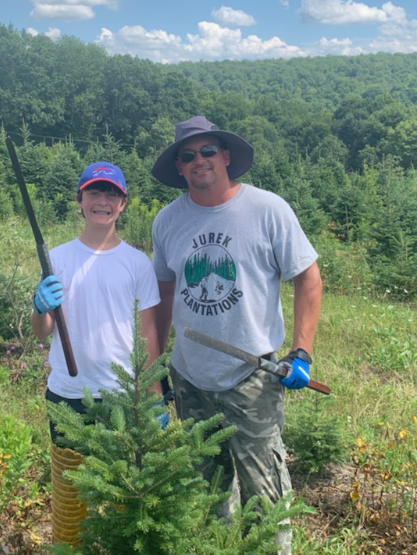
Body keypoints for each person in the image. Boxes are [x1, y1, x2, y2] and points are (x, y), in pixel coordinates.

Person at [150, 116, 323, 555]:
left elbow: (309, 278)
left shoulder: (268, 210)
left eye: (207, 151)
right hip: (190, 378)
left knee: (265, 498)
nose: (199, 161)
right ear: (180, 168)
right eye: (187, 156)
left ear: (226, 156)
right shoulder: (168, 221)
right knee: (209, 496)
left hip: (254, 377)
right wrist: (154, 379)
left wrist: (301, 351)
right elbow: (162, 300)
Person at [31, 161, 161, 545]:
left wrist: (153, 398)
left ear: (123, 204)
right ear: (80, 200)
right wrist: (39, 308)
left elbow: (148, 333)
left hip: (123, 398)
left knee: (124, 501)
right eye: (94, 192)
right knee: (71, 502)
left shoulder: (137, 263)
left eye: (111, 194)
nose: (102, 201)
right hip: (68, 397)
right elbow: (44, 334)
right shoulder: (56, 259)